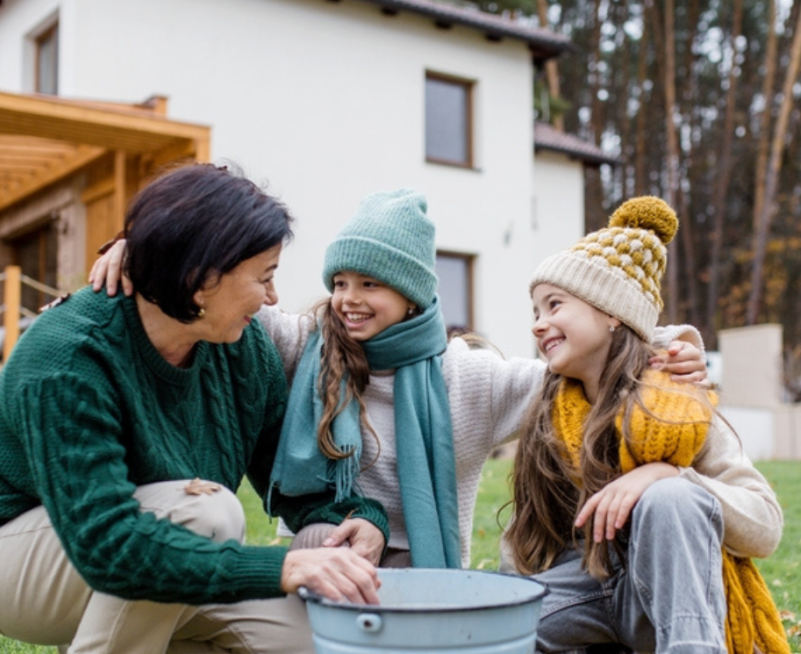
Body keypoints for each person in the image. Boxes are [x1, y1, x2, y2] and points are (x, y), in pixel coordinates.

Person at [0, 164, 383, 654]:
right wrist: (282, 567)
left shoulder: (241, 347)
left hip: (135, 552)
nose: (274, 298)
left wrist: (357, 519)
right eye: (264, 277)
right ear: (201, 279)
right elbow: (107, 544)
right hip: (6, 557)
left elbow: (289, 478)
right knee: (207, 511)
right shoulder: (70, 355)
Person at [89, 189, 708, 570]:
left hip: (423, 565)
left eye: (369, 285)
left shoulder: (468, 378)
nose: (347, 301)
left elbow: (584, 352)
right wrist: (139, 251)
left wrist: (674, 347)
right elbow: (224, 300)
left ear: (411, 294)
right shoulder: (304, 344)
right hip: (327, 542)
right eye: (339, 283)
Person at [504, 197, 801, 654]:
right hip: (592, 591)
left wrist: (667, 474)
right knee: (495, 620)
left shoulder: (678, 401)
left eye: (554, 304)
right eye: (534, 309)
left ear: (611, 314)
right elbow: (527, 539)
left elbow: (765, 524)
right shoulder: (547, 410)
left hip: (672, 603)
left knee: (670, 501)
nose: (537, 322)